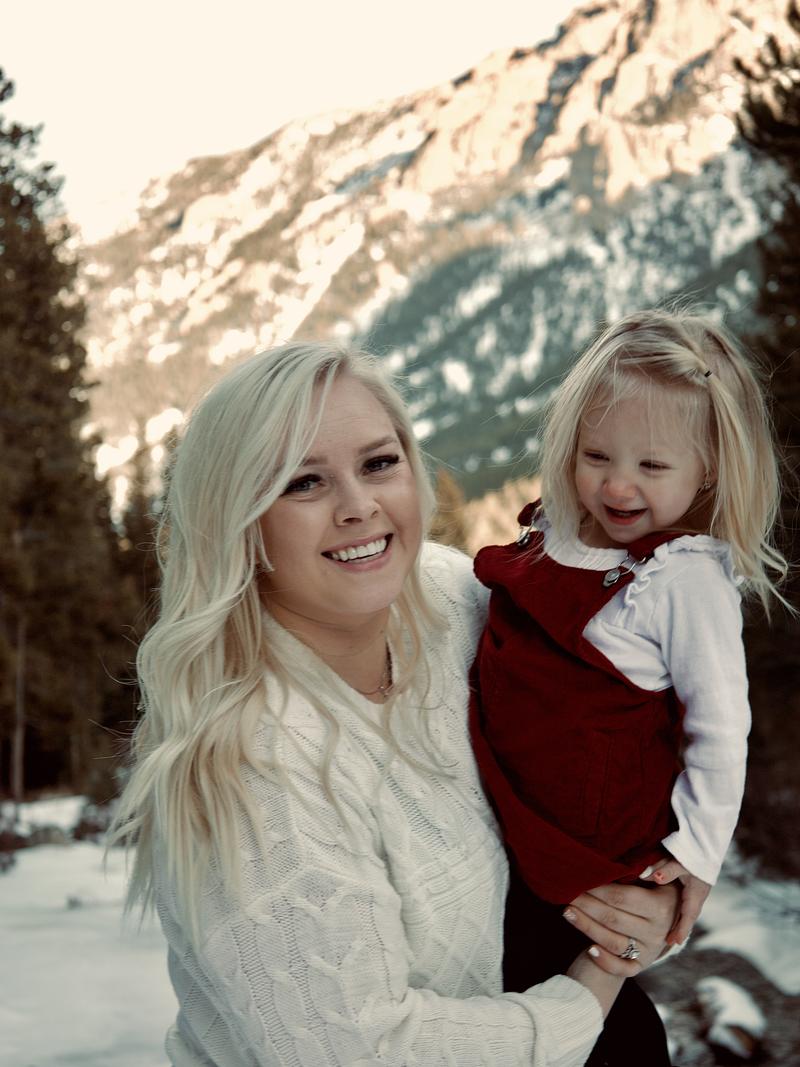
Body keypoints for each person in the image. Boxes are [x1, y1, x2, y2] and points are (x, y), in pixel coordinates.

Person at [109, 340, 677, 1067]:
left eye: (379, 464)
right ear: (237, 522)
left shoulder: (452, 597)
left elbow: (619, 738)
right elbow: (364, 1050)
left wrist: (662, 887)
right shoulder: (250, 764)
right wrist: (594, 987)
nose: (359, 507)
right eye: (303, 482)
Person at [469, 308, 790, 1067]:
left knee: (570, 1002)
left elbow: (720, 728)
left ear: (707, 468)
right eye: (596, 455)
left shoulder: (683, 578)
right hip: (506, 813)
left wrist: (696, 855)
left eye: (652, 465)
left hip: (586, 848)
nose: (617, 484)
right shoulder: (556, 532)